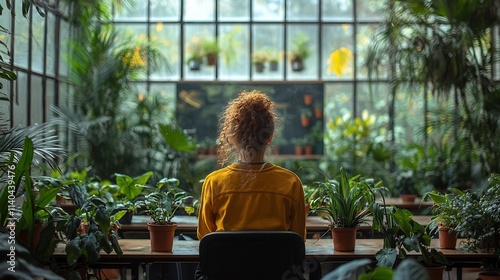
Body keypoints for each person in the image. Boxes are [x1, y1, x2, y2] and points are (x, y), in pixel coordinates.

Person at [197, 90, 306, 240]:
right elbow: (298, 238)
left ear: (232, 138)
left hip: (227, 264)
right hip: (275, 264)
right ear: (270, 137)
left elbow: (206, 238)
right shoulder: (291, 183)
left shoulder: (214, 183)